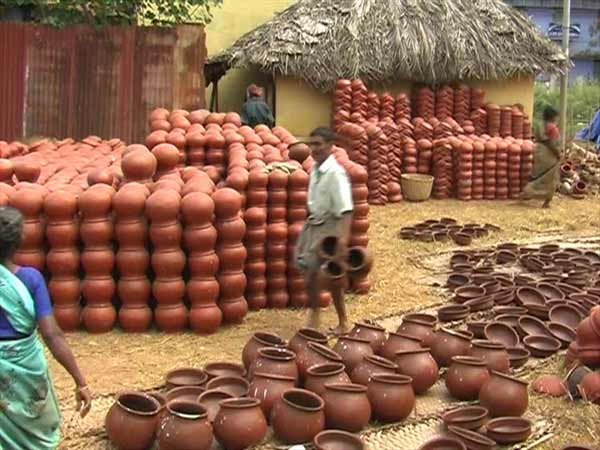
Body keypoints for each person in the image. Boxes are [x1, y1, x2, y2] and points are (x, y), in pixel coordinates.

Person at [0, 206, 92, 450]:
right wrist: (80, 381)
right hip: (26, 366)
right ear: (20, 240)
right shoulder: (31, 279)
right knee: (40, 433)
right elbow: (52, 334)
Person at [295, 128, 354, 335]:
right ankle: (315, 317)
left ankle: (343, 322)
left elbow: (346, 210)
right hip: (315, 224)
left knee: (332, 278)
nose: (313, 149)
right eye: (311, 144)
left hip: (330, 227)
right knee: (310, 273)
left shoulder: (335, 173)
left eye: (318, 144)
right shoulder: (315, 169)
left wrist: (342, 242)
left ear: (330, 146)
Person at [520, 106, 562, 208]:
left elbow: (537, 138)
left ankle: (528, 192)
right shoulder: (553, 128)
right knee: (550, 178)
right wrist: (558, 153)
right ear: (553, 116)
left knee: (538, 175)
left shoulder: (540, 126)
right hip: (549, 153)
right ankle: (544, 200)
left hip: (539, 151)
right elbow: (552, 143)